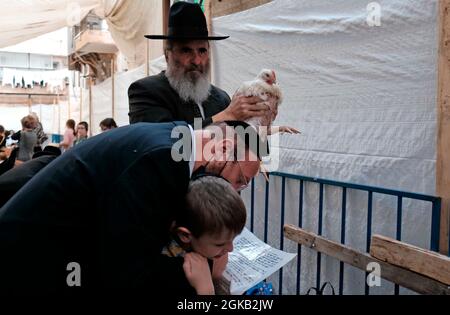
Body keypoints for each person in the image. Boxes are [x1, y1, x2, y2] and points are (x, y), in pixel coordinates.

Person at [0, 120, 263, 291]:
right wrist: (204, 277)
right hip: (28, 259)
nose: (235, 191)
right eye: (240, 180)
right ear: (224, 148)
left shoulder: (173, 144)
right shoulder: (161, 163)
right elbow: (128, 272)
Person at [128, 2, 269, 129]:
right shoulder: (146, 91)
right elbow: (162, 145)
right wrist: (225, 116)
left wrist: (259, 123)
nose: (196, 60)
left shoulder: (221, 98)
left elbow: (253, 152)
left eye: (202, 51)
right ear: (167, 55)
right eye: (186, 50)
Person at [162, 175, 246, 295]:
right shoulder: (168, 273)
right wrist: (206, 290)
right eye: (220, 244)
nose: (231, 249)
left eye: (233, 239)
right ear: (185, 236)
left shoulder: (200, 241)